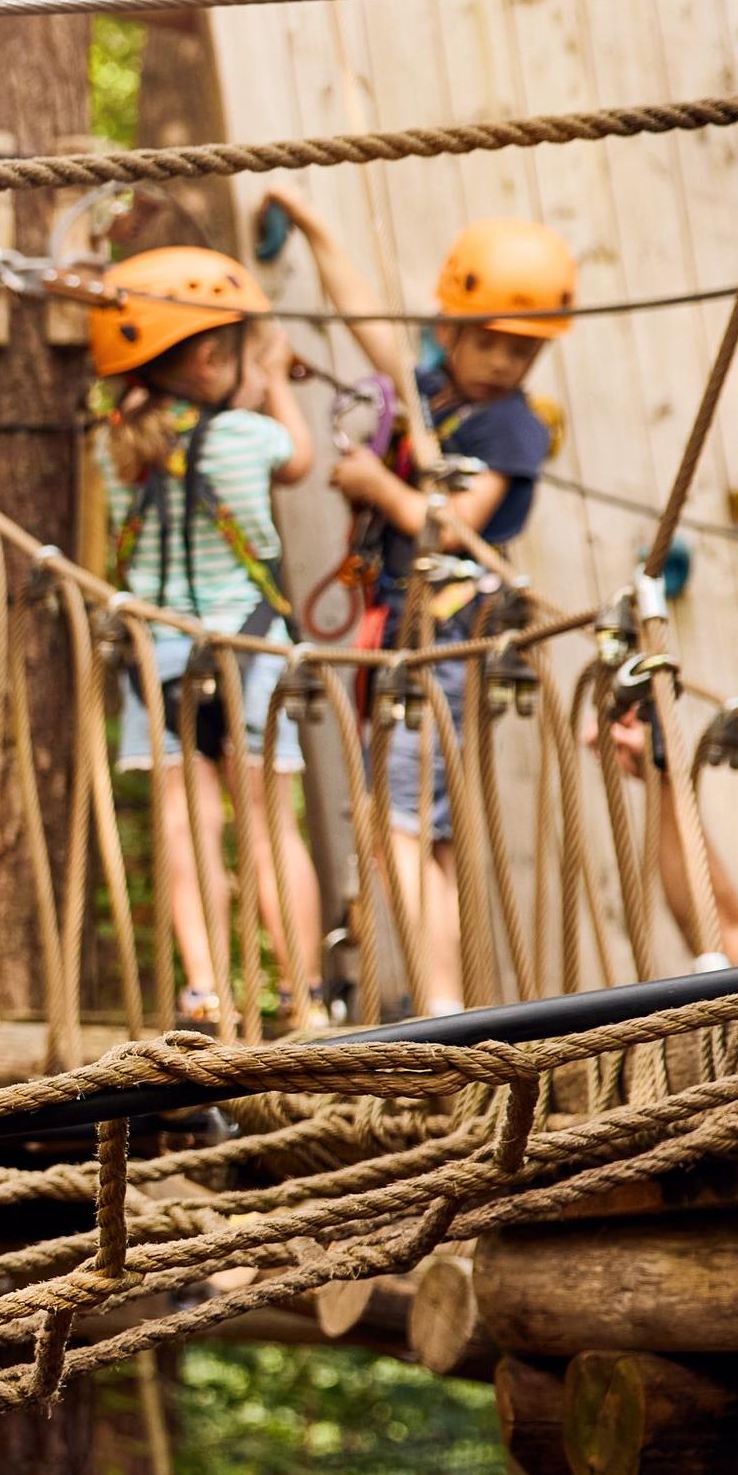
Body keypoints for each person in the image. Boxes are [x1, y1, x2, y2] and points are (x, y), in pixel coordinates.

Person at [262, 191, 566, 1015]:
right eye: (492, 343)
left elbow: (455, 528)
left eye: (524, 352)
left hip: (447, 636)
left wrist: (375, 483)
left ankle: (438, 1009)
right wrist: (320, 223)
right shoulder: (430, 393)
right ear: (453, 328)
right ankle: (446, 1003)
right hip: (404, 629)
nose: (504, 365)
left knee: (391, 822)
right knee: (421, 830)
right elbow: (368, 317)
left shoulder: (511, 426)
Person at [87, 246, 325, 1030]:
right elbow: (300, 461)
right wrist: (275, 383)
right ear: (215, 357)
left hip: (160, 659)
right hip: (248, 651)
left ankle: (205, 990)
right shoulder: (247, 436)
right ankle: (302, 993)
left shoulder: (115, 445)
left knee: (186, 826)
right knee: (267, 824)